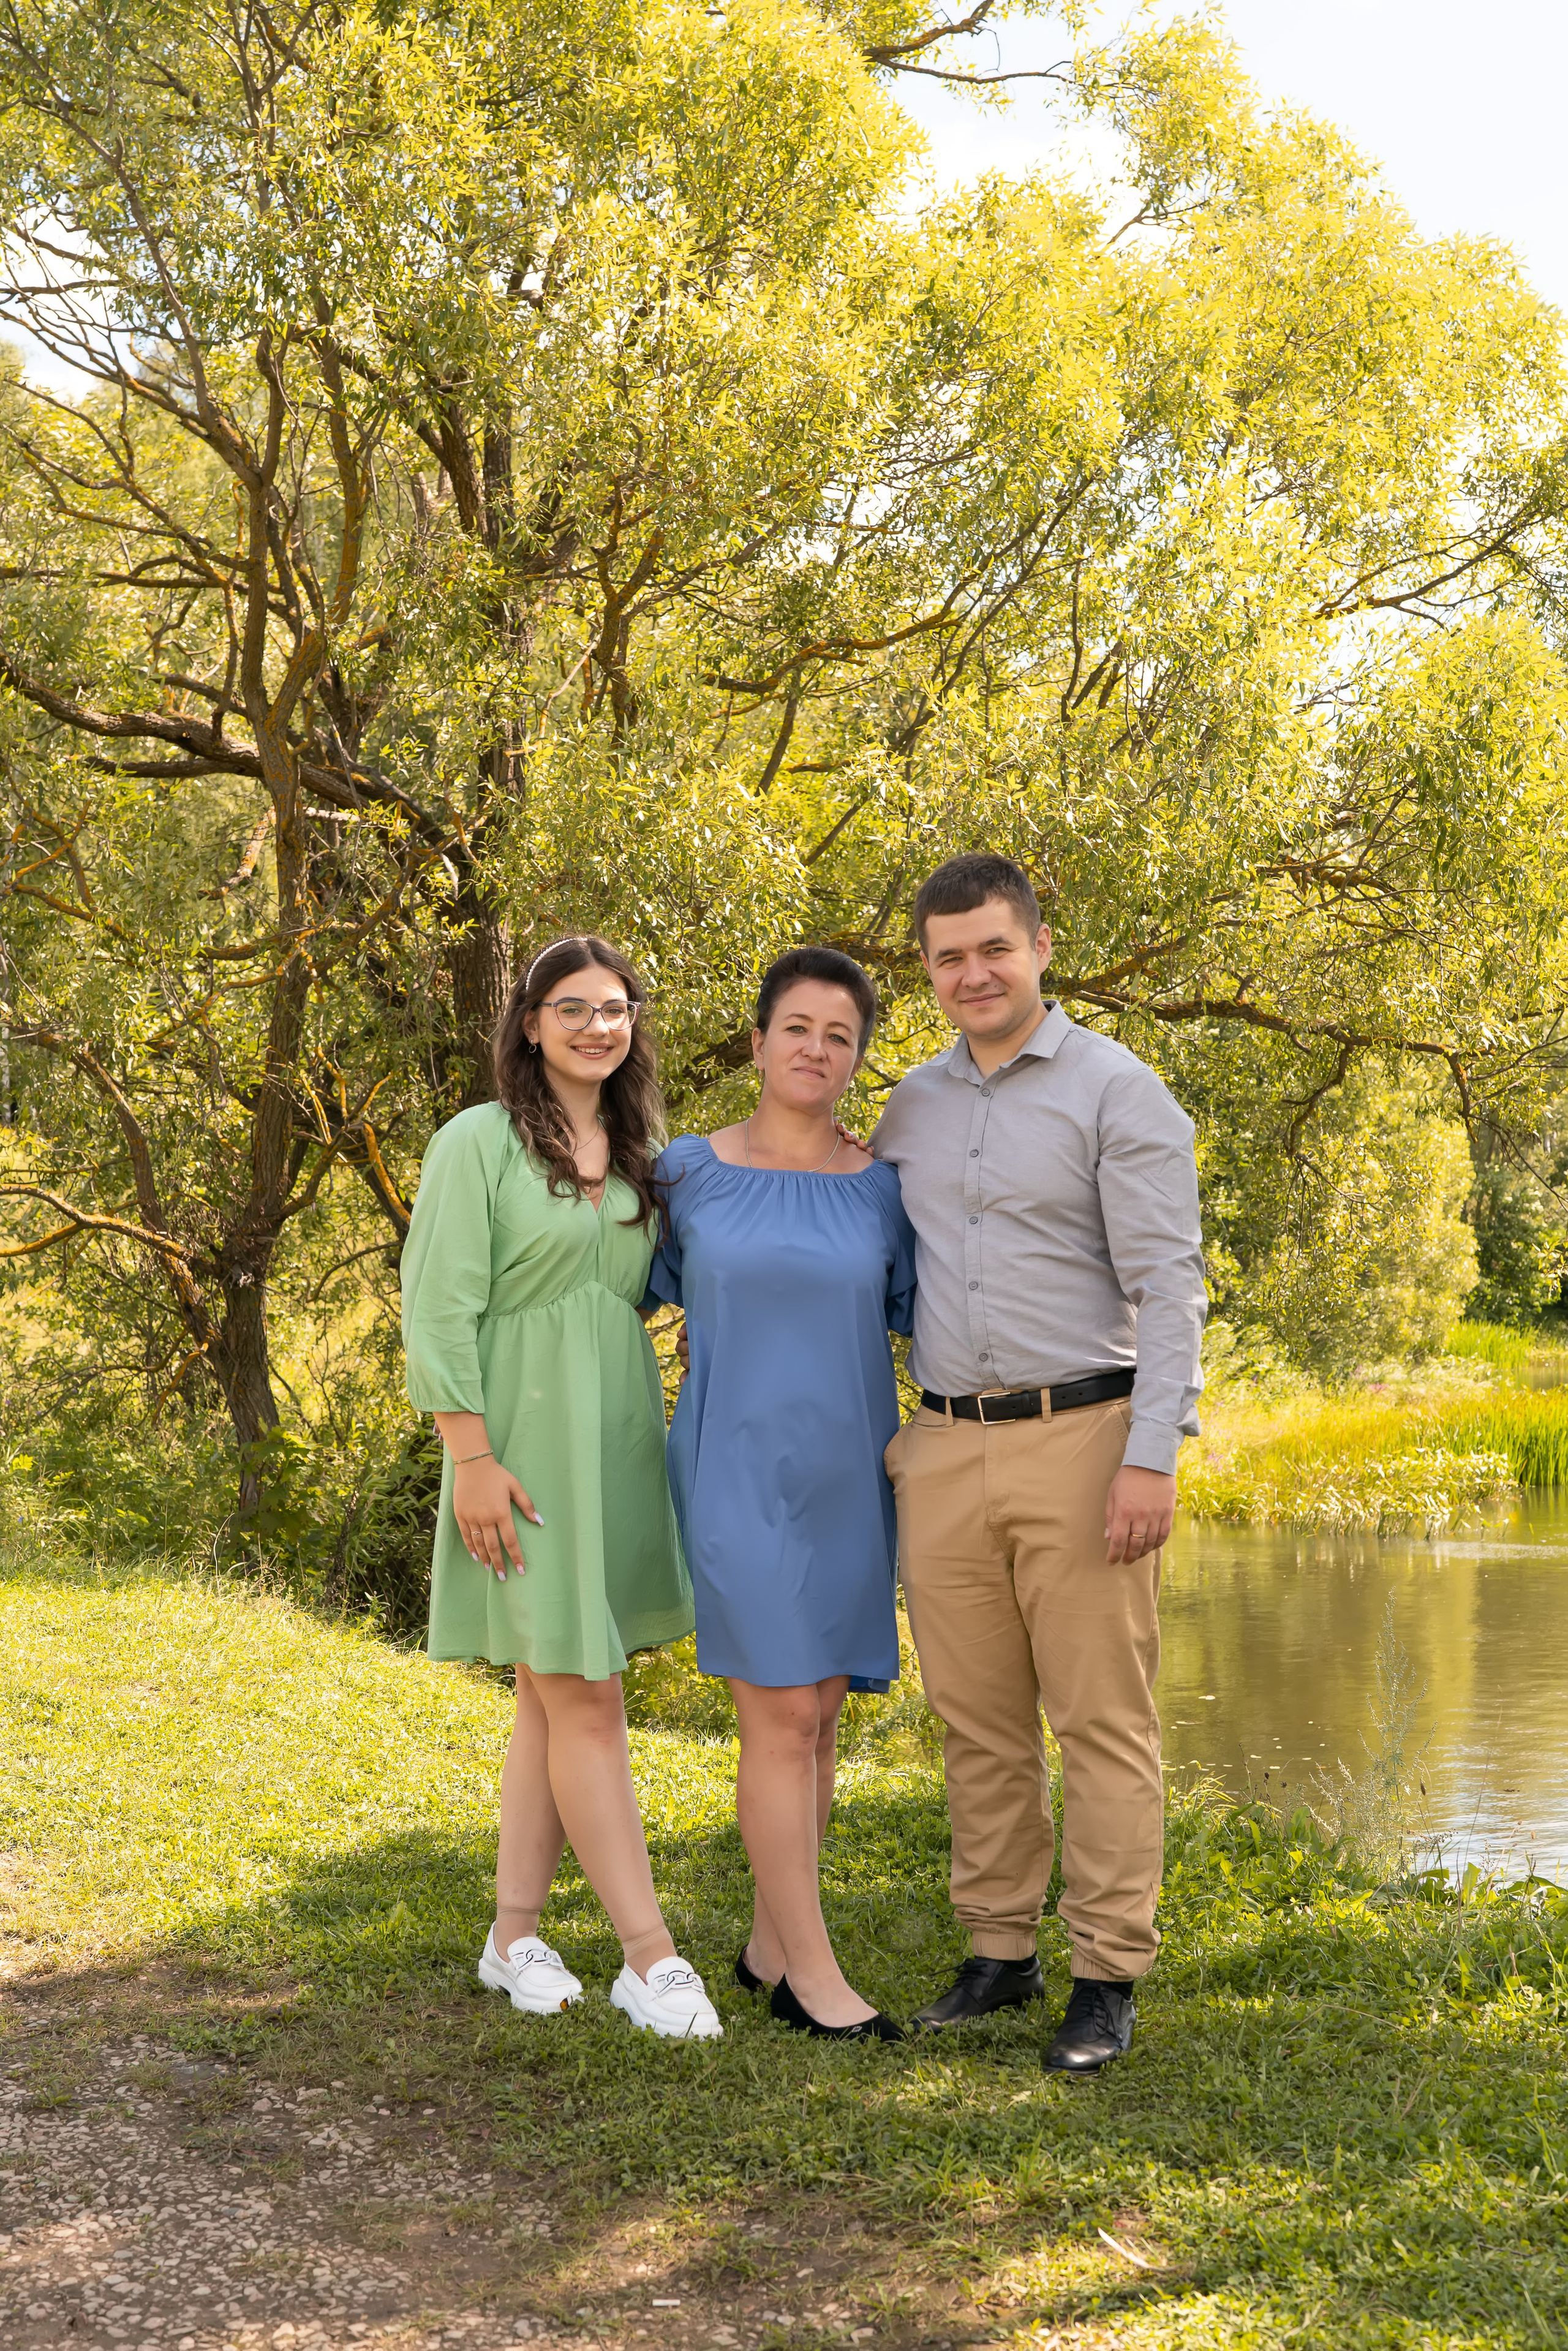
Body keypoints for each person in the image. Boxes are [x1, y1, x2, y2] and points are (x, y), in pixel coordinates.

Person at [873, 855, 1206, 2073]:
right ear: (928, 968)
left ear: (1039, 947)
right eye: (948, 956)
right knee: (975, 1719)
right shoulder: (909, 1107)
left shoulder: (1117, 1089)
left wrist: (1150, 1456)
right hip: (944, 1444)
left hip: (1084, 1436)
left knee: (1100, 1719)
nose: (972, 973)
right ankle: (998, 1950)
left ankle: (1105, 1972)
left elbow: (1169, 1286)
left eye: (992, 949)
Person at [401, 934, 722, 2040]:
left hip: (613, 1444)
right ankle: (651, 1957)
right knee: (587, 1695)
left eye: (615, 1007)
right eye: (573, 1007)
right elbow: (437, 1306)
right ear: (530, 1023)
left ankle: (512, 1937)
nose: (597, 1025)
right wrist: (470, 1457)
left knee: (552, 1696)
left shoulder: (644, 1154)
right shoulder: (477, 1142)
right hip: (520, 1455)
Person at [645, 947, 914, 2043]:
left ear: (855, 1060)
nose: (817, 1048)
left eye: (840, 1036)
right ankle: (814, 1975)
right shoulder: (685, 1174)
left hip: (850, 1476)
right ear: (757, 1043)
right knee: (783, 1715)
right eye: (797, 1027)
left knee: (823, 1714)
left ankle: (766, 1947)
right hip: (734, 1472)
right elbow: (617, 1296)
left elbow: (929, 1320)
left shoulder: (884, 1189)